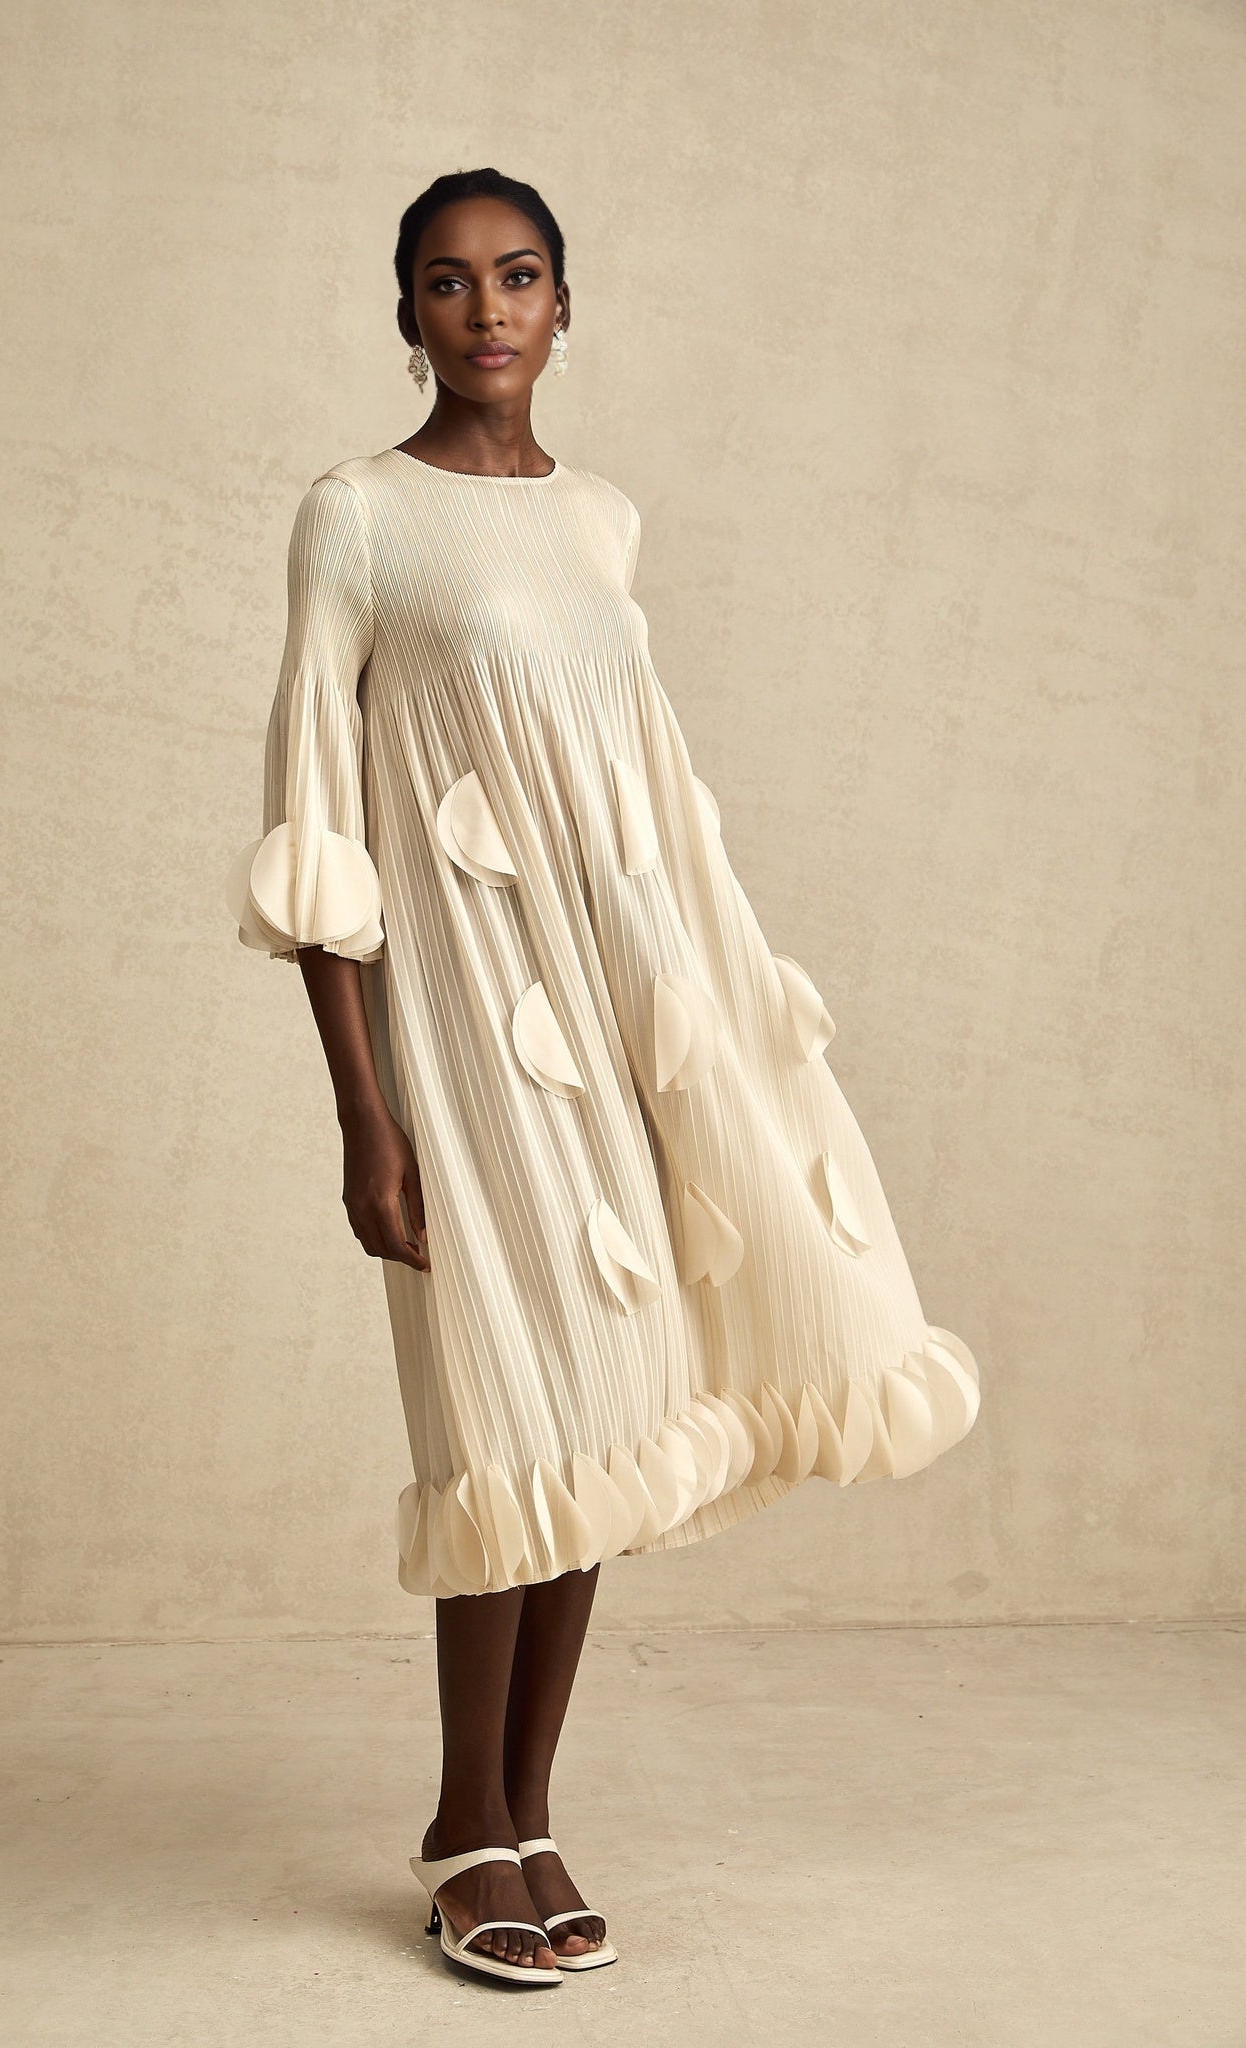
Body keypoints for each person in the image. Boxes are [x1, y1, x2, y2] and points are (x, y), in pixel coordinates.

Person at [225, 166, 981, 1988]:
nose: (486, 310)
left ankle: (526, 1809)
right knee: (506, 1407)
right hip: (464, 1029)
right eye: (447, 281)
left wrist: (702, 1034)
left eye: (519, 276)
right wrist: (364, 1112)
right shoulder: (357, 517)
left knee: (611, 1405)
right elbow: (315, 815)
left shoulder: (602, 520)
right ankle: (461, 1824)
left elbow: (634, 795)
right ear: (404, 312)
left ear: (565, 305)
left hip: (621, 1012)